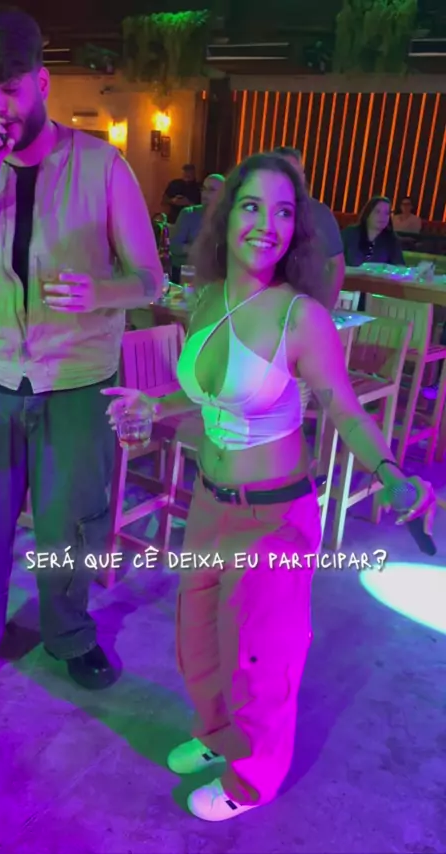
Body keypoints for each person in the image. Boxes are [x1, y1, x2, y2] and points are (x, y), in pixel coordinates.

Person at [104, 153, 436, 821]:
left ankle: (252, 778)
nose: (267, 224)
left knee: (261, 658)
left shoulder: (300, 317)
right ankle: (219, 734)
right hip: (209, 502)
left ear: (297, 229)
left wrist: (390, 473)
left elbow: (344, 408)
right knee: (198, 642)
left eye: (284, 212)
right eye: (253, 206)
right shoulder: (207, 298)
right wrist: (154, 405)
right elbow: (209, 393)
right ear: (226, 216)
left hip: (274, 517)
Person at [0, 8, 162, 703]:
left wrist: (100, 291)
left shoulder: (102, 166)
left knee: (70, 526)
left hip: (78, 382)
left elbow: (150, 279)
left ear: (42, 81)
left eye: (11, 87)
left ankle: (70, 634)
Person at [275, 146, 345, 307]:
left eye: (299, 172)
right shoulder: (263, 213)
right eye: (289, 172)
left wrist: (326, 308)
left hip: (307, 304)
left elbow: (337, 265)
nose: (296, 178)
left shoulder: (320, 213)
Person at [342, 195, 405, 310]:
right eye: (377, 212)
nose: (382, 217)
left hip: (377, 296)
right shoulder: (349, 234)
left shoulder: (391, 240)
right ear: (368, 214)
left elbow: (400, 267)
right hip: (347, 292)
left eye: (386, 213)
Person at [170, 173, 224, 282]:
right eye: (203, 189)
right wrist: (196, 249)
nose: (205, 194)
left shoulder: (228, 218)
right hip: (187, 274)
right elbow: (174, 246)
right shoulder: (188, 214)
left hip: (216, 277)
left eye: (211, 190)